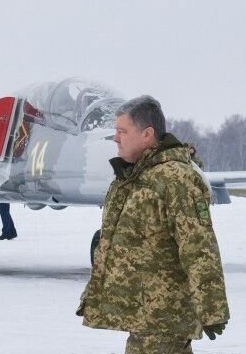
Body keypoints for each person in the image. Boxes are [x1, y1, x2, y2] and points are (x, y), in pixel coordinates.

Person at [77, 95, 229, 354]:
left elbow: (199, 247)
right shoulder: (134, 176)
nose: (115, 138)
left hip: (164, 317)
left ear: (147, 134)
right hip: (147, 314)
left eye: (122, 131)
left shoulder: (175, 179)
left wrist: (212, 307)